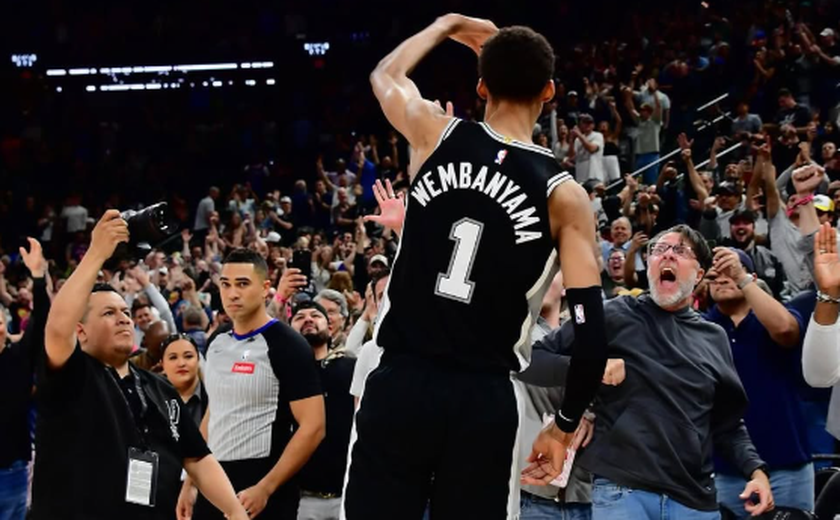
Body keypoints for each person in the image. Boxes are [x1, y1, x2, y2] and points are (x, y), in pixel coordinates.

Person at [344, 16, 608, 520]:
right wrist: (564, 425)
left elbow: (384, 74)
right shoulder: (566, 196)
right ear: (549, 91)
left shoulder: (434, 133)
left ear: (481, 85)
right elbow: (591, 338)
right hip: (482, 397)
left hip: (401, 378)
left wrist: (446, 25)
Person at [521, 225, 774, 519]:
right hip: (622, 492)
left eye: (680, 250)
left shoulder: (714, 337)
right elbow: (532, 361)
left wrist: (756, 470)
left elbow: (727, 424)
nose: (667, 255)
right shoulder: (613, 313)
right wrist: (592, 369)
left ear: (700, 275)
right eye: (657, 250)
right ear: (650, 265)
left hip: (694, 501)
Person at [33, 210, 248, 520]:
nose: (123, 317)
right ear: (80, 331)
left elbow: (198, 458)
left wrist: (234, 511)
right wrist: (96, 253)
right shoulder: (71, 374)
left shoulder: (159, 386)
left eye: (124, 311)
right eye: (108, 313)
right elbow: (56, 328)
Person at [185, 248, 325, 520]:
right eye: (225, 284)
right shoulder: (217, 341)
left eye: (242, 284)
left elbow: (314, 427)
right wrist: (190, 483)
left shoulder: (288, 345)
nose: (232, 293)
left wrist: (266, 487)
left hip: (262, 487)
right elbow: (214, 413)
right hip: (213, 482)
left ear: (265, 289)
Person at [704, 248, 811, 516]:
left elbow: (786, 330)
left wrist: (741, 278)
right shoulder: (701, 327)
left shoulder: (774, 318)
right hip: (723, 467)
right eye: (715, 273)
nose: (722, 276)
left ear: (750, 277)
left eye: (732, 269)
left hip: (786, 463)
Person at [290, 301, 356, 520]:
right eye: (299, 317)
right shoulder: (282, 378)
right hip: (301, 498)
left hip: (348, 493)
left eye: (315, 315)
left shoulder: (351, 368)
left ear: (330, 328)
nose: (308, 319)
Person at [0, 239, 49, 520]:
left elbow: (41, 319)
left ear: (5, 327)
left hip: (12, 470)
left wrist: (39, 278)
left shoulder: (19, 355)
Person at [160, 333, 207, 426]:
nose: (181, 363)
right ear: (162, 365)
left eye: (188, 356)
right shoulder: (151, 399)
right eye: (173, 357)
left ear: (198, 360)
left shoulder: (214, 397)